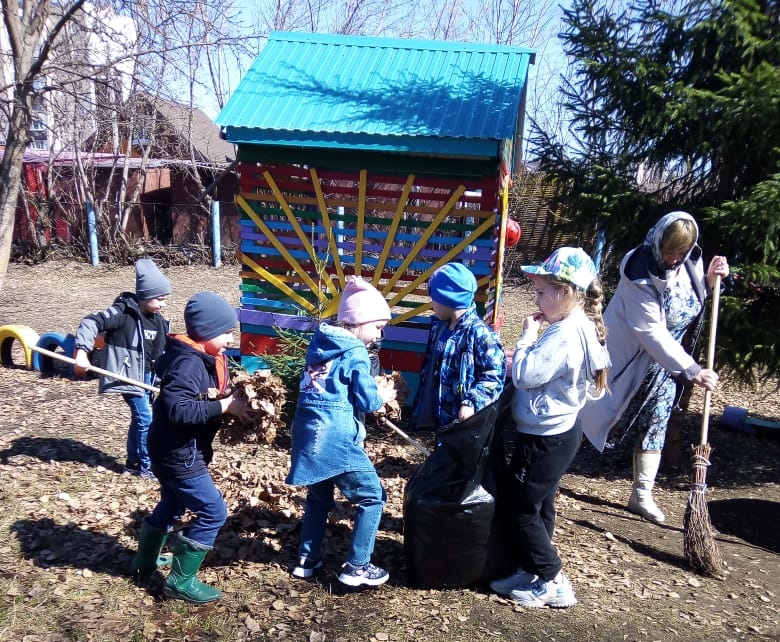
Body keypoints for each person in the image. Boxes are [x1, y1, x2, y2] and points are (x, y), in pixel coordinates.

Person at [578, 211, 729, 524]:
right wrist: (692, 369)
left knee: (656, 421)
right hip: (627, 359)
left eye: (680, 253)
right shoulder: (639, 270)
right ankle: (546, 467)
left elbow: (689, 299)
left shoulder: (690, 262)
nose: (673, 259)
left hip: (663, 364)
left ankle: (641, 494)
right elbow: (650, 331)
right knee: (587, 411)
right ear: (658, 242)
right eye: (669, 252)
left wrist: (711, 282)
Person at [490, 247, 610, 609]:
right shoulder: (580, 325)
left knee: (519, 506)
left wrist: (527, 337)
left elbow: (525, 376)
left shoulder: (564, 335)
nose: (536, 298)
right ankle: (533, 570)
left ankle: (554, 581)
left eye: (542, 291)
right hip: (558, 432)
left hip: (545, 438)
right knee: (540, 506)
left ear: (566, 292)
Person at [129, 291, 250, 603]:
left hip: (169, 450)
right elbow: (178, 410)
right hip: (179, 455)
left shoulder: (199, 358)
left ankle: (144, 562)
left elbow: (197, 399)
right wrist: (224, 407)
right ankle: (180, 583)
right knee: (213, 511)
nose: (231, 339)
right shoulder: (188, 363)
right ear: (207, 331)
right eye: (226, 332)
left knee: (172, 504)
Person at [287, 276, 397, 588]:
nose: (379, 335)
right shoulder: (355, 352)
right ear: (359, 321)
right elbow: (367, 400)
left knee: (318, 499)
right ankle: (358, 566)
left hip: (307, 435)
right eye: (378, 327)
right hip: (335, 437)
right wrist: (382, 395)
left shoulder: (320, 346)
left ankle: (306, 560)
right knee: (373, 497)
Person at [73, 258, 171, 479]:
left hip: (148, 376)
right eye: (160, 299)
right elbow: (90, 322)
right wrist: (82, 351)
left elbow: (161, 351)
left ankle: (133, 462)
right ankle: (148, 466)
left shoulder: (157, 320)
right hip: (127, 375)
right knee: (146, 419)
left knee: (140, 418)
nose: (163, 304)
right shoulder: (123, 313)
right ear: (145, 294)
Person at [410, 262, 506, 430]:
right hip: (440, 418)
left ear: (448, 299)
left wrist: (471, 402)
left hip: (463, 421)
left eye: (434, 299)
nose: (432, 305)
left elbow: (493, 376)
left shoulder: (480, 334)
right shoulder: (439, 328)